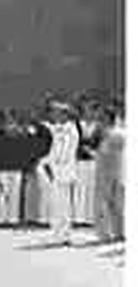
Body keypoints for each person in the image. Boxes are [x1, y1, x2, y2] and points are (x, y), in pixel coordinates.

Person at [38, 100, 80, 246]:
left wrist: (48, 162)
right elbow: (53, 145)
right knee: (57, 204)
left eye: (56, 112)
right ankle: (59, 234)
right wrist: (46, 161)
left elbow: (64, 153)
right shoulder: (59, 129)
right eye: (52, 112)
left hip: (63, 171)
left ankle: (64, 235)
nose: (53, 115)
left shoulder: (70, 130)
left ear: (64, 114)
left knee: (63, 204)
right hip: (57, 170)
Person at [0, 109, 32, 227]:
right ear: (2, 123)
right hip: (1, 169)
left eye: (12, 122)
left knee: (15, 195)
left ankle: (13, 219)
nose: (10, 125)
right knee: (2, 194)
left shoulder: (21, 136)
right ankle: (0, 219)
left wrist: (25, 168)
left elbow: (25, 153)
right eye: (7, 122)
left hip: (17, 168)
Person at [95, 100, 125, 244]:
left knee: (103, 204)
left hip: (106, 171)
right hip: (117, 171)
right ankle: (119, 232)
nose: (100, 119)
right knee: (117, 204)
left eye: (103, 116)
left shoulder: (109, 133)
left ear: (108, 118)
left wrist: (95, 151)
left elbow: (104, 151)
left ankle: (105, 234)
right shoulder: (121, 132)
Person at [73, 99, 104, 227]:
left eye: (92, 110)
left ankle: (90, 218)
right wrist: (81, 149)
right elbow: (74, 142)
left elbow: (101, 142)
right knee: (80, 189)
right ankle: (78, 218)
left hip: (93, 160)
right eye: (87, 110)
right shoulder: (77, 125)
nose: (90, 113)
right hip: (80, 160)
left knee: (91, 188)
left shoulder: (99, 127)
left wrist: (94, 151)